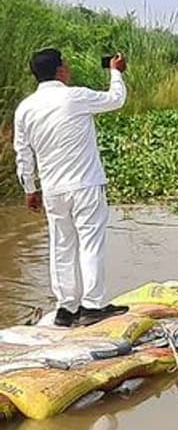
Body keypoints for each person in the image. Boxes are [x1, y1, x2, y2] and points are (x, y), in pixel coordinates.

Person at [13, 48, 130, 327]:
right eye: (65, 64)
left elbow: (23, 153)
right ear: (60, 70)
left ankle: (66, 307)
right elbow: (116, 99)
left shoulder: (24, 109)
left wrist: (30, 188)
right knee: (90, 243)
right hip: (85, 184)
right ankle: (93, 304)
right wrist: (116, 71)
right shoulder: (75, 96)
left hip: (53, 189)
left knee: (62, 245)